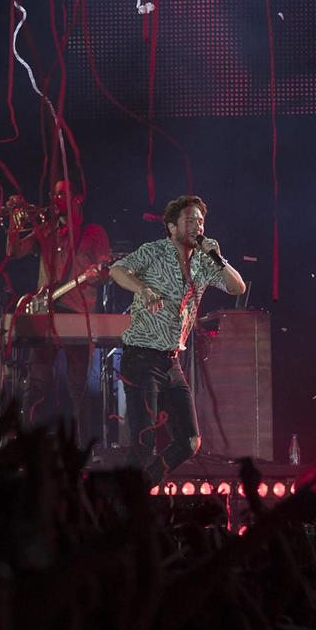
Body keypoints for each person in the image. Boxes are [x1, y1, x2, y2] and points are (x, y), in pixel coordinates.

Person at [108, 194, 246, 485]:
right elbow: (117, 269)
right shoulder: (153, 251)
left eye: (201, 221)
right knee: (144, 443)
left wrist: (217, 258)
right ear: (172, 227)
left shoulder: (204, 261)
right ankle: (126, 503)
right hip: (141, 357)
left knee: (190, 441)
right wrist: (143, 289)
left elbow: (237, 288)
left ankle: (135, 490)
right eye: (190, 220)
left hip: (171, 361)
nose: (198, 226)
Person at [6, 179, 111, 431]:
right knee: (35, 384)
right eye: (53, 194)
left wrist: (99, 274)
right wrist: (14, 218)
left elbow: (106, 272)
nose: (55, 199)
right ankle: (28, 451)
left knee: (78, 389)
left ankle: (82, 454)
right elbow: (12, 252)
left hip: (77, 317)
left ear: (77, 199)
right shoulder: (46, 232)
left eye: (62, 194)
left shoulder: (93, 232)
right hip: (46, 316)